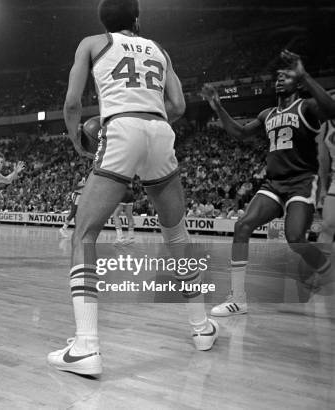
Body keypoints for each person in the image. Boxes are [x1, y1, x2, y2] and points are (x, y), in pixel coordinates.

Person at [48, 0, 217, 377]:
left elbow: (73, 102)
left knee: (85, 236)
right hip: (159, 131)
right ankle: (201, 328)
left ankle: (86, 347)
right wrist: (151, 121)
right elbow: (178, 104)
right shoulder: (160, 49)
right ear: (137, 19)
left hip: (120, 129)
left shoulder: (92, 43)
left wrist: (77, 139)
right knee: (177, 235)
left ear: (103, 20)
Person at [202, 50, 335, 317]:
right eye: (278, 76)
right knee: (243, 225)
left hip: (301, 182)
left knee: (295, 239)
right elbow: (239, 133)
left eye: (286, 76)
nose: (279, 79)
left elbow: (332, 110)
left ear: (297, 82)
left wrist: (306, 76)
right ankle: (237, 299)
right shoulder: (267, 114)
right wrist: (219, 108)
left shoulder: (307, 106)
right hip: (274, 184)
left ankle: (326, 270)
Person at [318, 92, 335, 248]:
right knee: (327, 226)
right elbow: (323, 161)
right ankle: (321, 270)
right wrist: (323, 188)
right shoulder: (326, 126)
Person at [59, 169, 88, 238]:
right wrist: (83, 186)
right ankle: (63, 229)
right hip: (76, 195)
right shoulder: (78, 176)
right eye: (82, 167)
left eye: (84, 167)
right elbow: (73, 188)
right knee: (73, 213)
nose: (84, 168)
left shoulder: (84, 176)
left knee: (79, 213)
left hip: (81, 196)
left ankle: (77, 230)